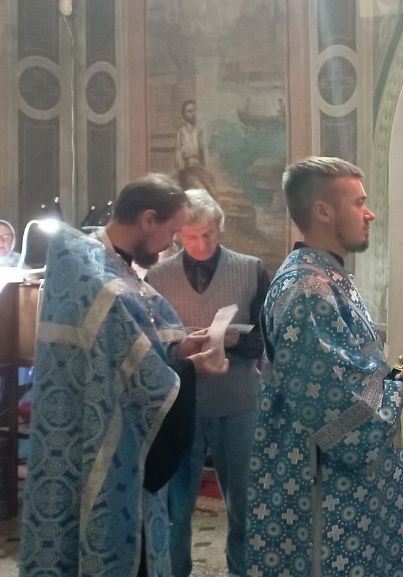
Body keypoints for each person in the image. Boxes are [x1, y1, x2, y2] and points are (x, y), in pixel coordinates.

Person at [20, 174, 229, 576]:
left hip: (115, 427)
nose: (170, 244)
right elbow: (134, 366)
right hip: (94, 431)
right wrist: (190, 368)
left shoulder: (110, 264)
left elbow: (134, 343)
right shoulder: (94, 275)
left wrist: (177, 349)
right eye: (171, 232)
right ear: (148, 219)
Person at [244, 157, 403, 577]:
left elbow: (350, 373)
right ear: (324, 211)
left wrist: (393, 377)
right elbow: (334, 408)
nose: (369, 213)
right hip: (320, 487)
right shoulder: (307, 291)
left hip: (345, 485)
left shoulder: (327, 278)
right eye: (358, 203)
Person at [146, 189, 270, 576]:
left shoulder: (250, 269)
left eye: (209, 235)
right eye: (192, 236)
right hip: (180, 402)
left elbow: (268, 336)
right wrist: (183, 346)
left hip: (238, 401)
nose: (201, 244)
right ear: (178, 234)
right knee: (176, 507)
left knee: (245, 504)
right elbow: (150, 345)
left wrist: (232, 340)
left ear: (220, 228)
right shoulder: (157, 276)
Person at [174, 100, 207, 170]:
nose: (193, 114)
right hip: (186, 167)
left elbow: (204, 151)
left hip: (198, 166)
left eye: (194, 111)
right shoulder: (181, 132)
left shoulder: (199, 131)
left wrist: (204, 166)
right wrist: (181, 168)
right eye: (189, 111)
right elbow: (178, 152)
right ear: (184, 114)